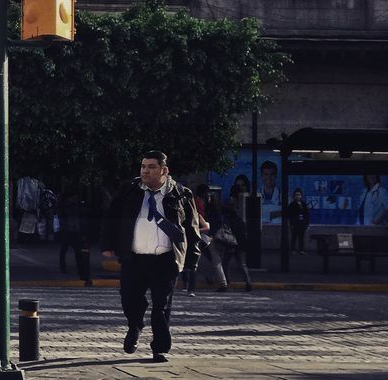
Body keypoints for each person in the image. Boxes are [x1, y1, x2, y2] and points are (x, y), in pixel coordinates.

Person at [101, 151, 200, 362]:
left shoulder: (181, 194)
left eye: (151, 167)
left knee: (161, 306)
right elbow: (113, 217)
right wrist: (108, 245)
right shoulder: (129, 190)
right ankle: (135, 326)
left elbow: (191, 229)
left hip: (165, 259)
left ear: (164, 170)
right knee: (129, 299)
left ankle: (160, 348)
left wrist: (191, 259)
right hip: (134, 258)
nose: (145, 170)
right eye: (143, 166)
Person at [214, 186, 253, 291]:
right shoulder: (238, 218)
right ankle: (248, 282)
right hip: (239, 244)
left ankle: (226, 283)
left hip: (231, 244)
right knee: (241, 264)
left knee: (225, 264)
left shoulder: (227, 219)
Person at [57, 189, 92, 286]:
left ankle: (76, 268)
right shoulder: (67, 207)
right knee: (67, 250)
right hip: (69, 230)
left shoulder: (75, 206)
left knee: (76, 251)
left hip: (74, 231)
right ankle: (65, 267)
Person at [284, 188, 311, 254]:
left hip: (302, 223)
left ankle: (301, 250)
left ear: (301, 195)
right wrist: (291, 224)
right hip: (294, 223)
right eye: (296, 195)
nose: (297, 196)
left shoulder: (304, 204)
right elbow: (289, 215)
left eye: (299, 195)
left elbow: (306, 214)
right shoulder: (292, 204)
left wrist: (307, 224)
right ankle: (293, 250)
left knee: (301, 237)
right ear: (294, 196)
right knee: (294, 237)